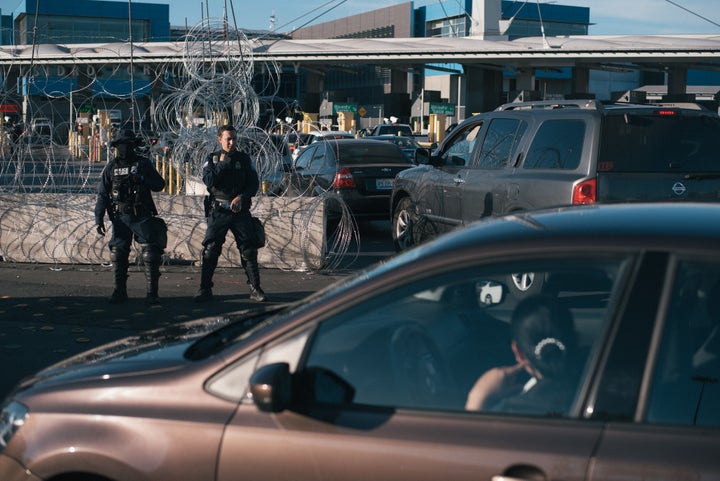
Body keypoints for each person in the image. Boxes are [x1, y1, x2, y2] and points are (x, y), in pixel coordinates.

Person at [465, 295, 578, 415]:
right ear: (575, 340)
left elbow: (468, 433)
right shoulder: (592, 382)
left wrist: (479, 394)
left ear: (518, 352)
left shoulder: (513, 412)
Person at [194, 124, 267, 303]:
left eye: (234, 138)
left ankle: (255, 288)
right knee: (211, 250)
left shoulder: (243, 159)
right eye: (228, 139)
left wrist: (242, 196)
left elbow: (253, 184)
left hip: (239, 210)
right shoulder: (212, 159)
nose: (232, 142)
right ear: (220, 139)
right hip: (219, 210)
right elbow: (208, 181)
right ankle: (204, 289)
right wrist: (223, 163)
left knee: (248, 250)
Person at [95, 129, 167, 304]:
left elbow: (160, 185)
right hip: (120, 217)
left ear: (133, 146)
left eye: (127, 145)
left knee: (150, 253)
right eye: (120, 146)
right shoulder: (111, 167)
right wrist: (99, 217)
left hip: (141, 214)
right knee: (118, 253)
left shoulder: (143, 164)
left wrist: (142, 178)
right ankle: (119, 291)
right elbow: (103, 194)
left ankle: (152, 293)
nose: (124, 149)